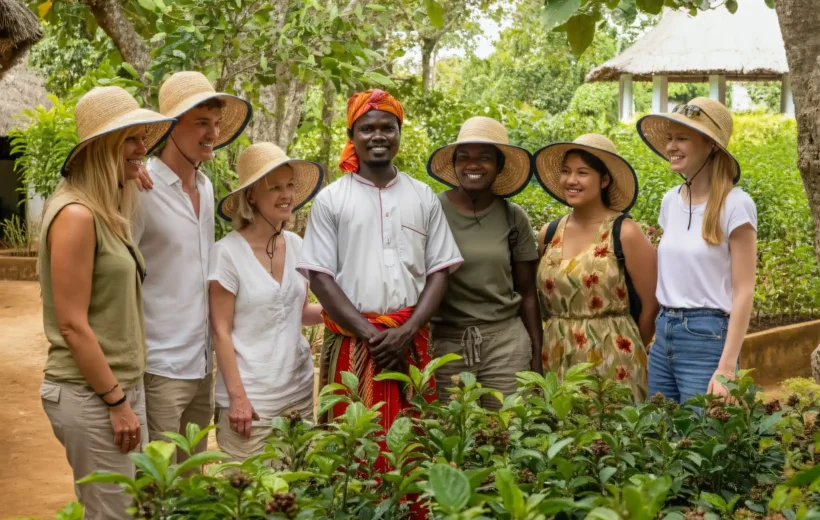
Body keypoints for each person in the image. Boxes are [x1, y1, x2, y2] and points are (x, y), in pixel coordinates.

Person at [39, 86, 175, 518]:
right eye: (131, 141)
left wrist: (133, 172)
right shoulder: (77, 215)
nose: (143, 150)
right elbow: (73, 325)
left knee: (135, 510)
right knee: (113, 514)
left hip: (117, 389)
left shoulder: (105, 206)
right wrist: (117, 403)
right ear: (103, 148)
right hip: (93, 394)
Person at [297, 89, 463, 443]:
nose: (377, 137)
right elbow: (320, 278)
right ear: (351, 136)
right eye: (367, 129)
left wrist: (405, 333)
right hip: (354, 344)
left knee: (414, 446)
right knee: (353, 443)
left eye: (387, 128)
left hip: (411, 338)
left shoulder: (422, 196)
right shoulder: (331, 200)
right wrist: (374, 337)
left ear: (400, 133)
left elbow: (439, 272)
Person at [132, 71, 252, 461]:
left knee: (191, 487)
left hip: (202, 366)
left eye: (216, 124)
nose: (213, 134)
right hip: (160, 364)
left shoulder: (205, 186)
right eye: (201, 123)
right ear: (170, 128)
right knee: (157, 487)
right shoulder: (139, 187)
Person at [208, 142, 323, 461]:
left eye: (289, 186)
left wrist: (344, 310)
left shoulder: (298, 246)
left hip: (297, 396)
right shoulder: (227, 253)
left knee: (295, 499)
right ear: (251, 196)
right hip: (251, 404)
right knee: (249, 497)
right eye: (274, 188)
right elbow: (221, 331)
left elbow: (299, 313)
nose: (286, 195)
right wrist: (237, 398)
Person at [637, 97, 757, 404]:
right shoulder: (669, 201)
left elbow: (744, 290)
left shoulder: (736, 204)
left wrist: (727, 366)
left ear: (711, 145)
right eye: (670, 139)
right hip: (664, 333)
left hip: (708, 336)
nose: (671, 147)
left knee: (705, 442)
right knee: (661, 439)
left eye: (682, 139)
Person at [425, 116, 541, 407]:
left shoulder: (514, 217)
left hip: (506, 344)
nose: (472, 165)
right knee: (449, 436)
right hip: (447, 344)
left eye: (484, 158)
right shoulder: (430, 212)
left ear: (499, 165)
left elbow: (528, 293)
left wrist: (537, 355)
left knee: (507, 433)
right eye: (463, 157)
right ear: (454, 164)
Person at [533, 134, 659, 401]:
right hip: (557, 356)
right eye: (566, 172)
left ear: (604, 180)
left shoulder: (624, 232)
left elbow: (652, 303)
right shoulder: (550, 232)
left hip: (614, 360)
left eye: (582, 172)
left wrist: (628, 346)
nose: (571, 180)